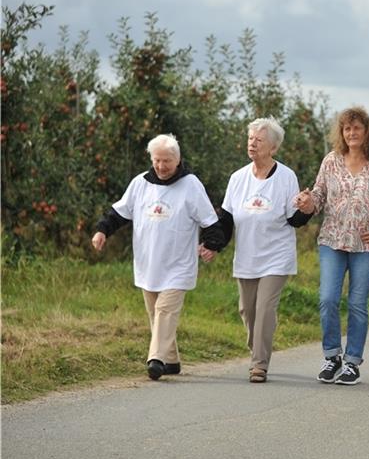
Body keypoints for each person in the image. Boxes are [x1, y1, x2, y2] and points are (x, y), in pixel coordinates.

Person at [295, 106, 369, 386]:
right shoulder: (331, 161)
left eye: (357, 128)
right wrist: (307, 203)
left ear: (367, 131)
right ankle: (332, 356)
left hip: (367, 244)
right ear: (341, 132)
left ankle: (352, 363)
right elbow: (319, 196)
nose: (351, 133)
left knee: (358, 303)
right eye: (347, 128)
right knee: (327, 299)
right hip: (332, 240)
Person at [92, 134, 222, 380]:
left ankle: (156, 359)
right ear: (151, 159)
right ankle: (171, 360)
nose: (162, 167)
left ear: (178, 160)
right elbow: (119, 213)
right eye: (157, 160)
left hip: (179, 264)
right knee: (155, 313)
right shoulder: (140, 183)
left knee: (165, 310)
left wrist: (212, 244)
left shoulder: (191, 185)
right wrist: (102, 230)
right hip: (148, 262)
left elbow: (209, 220)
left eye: (167, 161)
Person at [199, 118, 311, 383]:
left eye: (258, 140)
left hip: (276, 256)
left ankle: (259, 364)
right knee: (247, 311)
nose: (252, 144)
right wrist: (213, 244)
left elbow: (295, 219)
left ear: (272, 148)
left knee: (264, 309)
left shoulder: (286, 177)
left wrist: (308, 209)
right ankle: (258, 346)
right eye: (250, 139)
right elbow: (226, 219)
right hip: (247, 256)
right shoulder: (237, 178)